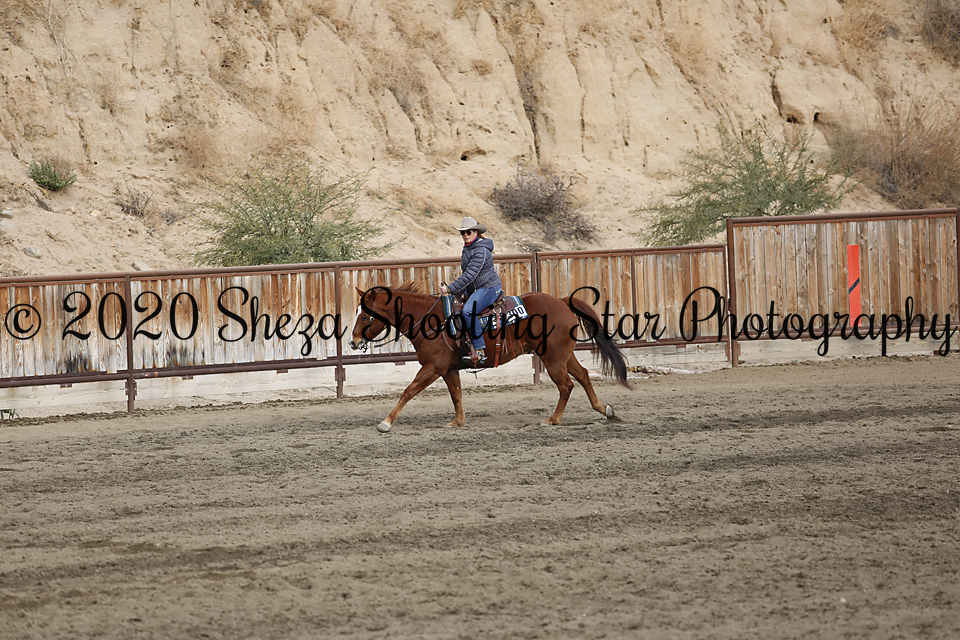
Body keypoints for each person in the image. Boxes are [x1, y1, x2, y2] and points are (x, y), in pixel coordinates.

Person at [440, 217, 503, 365]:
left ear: (476, 232)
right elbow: (469, 276)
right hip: (477, 288)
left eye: (468, 232)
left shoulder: (481, 251)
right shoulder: (468, 248)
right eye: (463, 233)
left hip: (489, 287)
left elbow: (470, 275)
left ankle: (479, 349)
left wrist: (450, 288)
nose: (465, 235)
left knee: (469, 311)